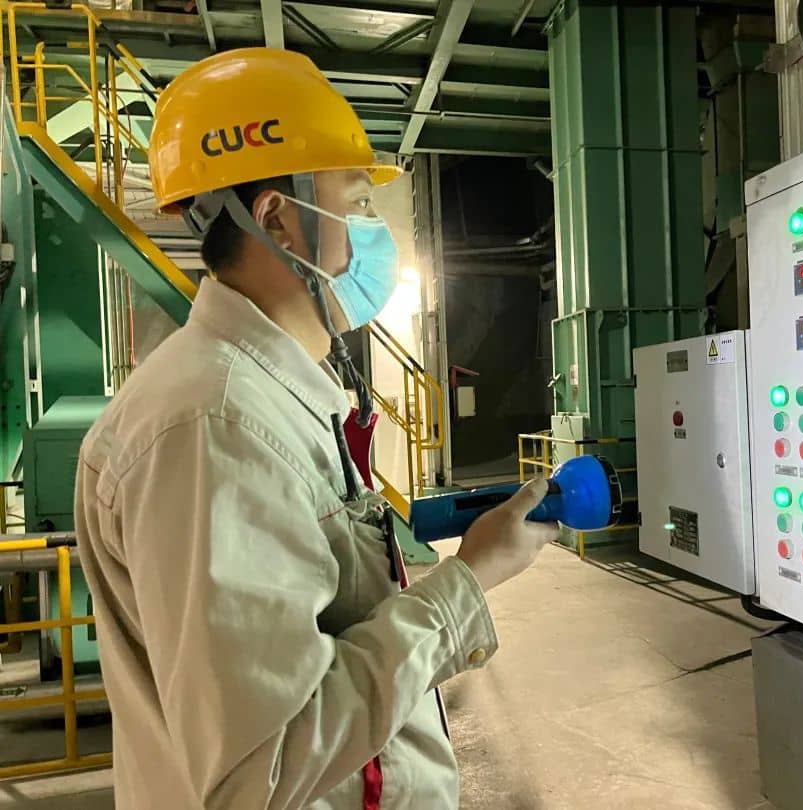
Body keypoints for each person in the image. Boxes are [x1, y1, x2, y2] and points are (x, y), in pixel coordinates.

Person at [74, 47, 559, 809]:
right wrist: (468, 581)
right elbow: (262, 772)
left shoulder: (267, 394)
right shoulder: (215, 426)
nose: (372, 232)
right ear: (280, 220)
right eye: (357, 204)